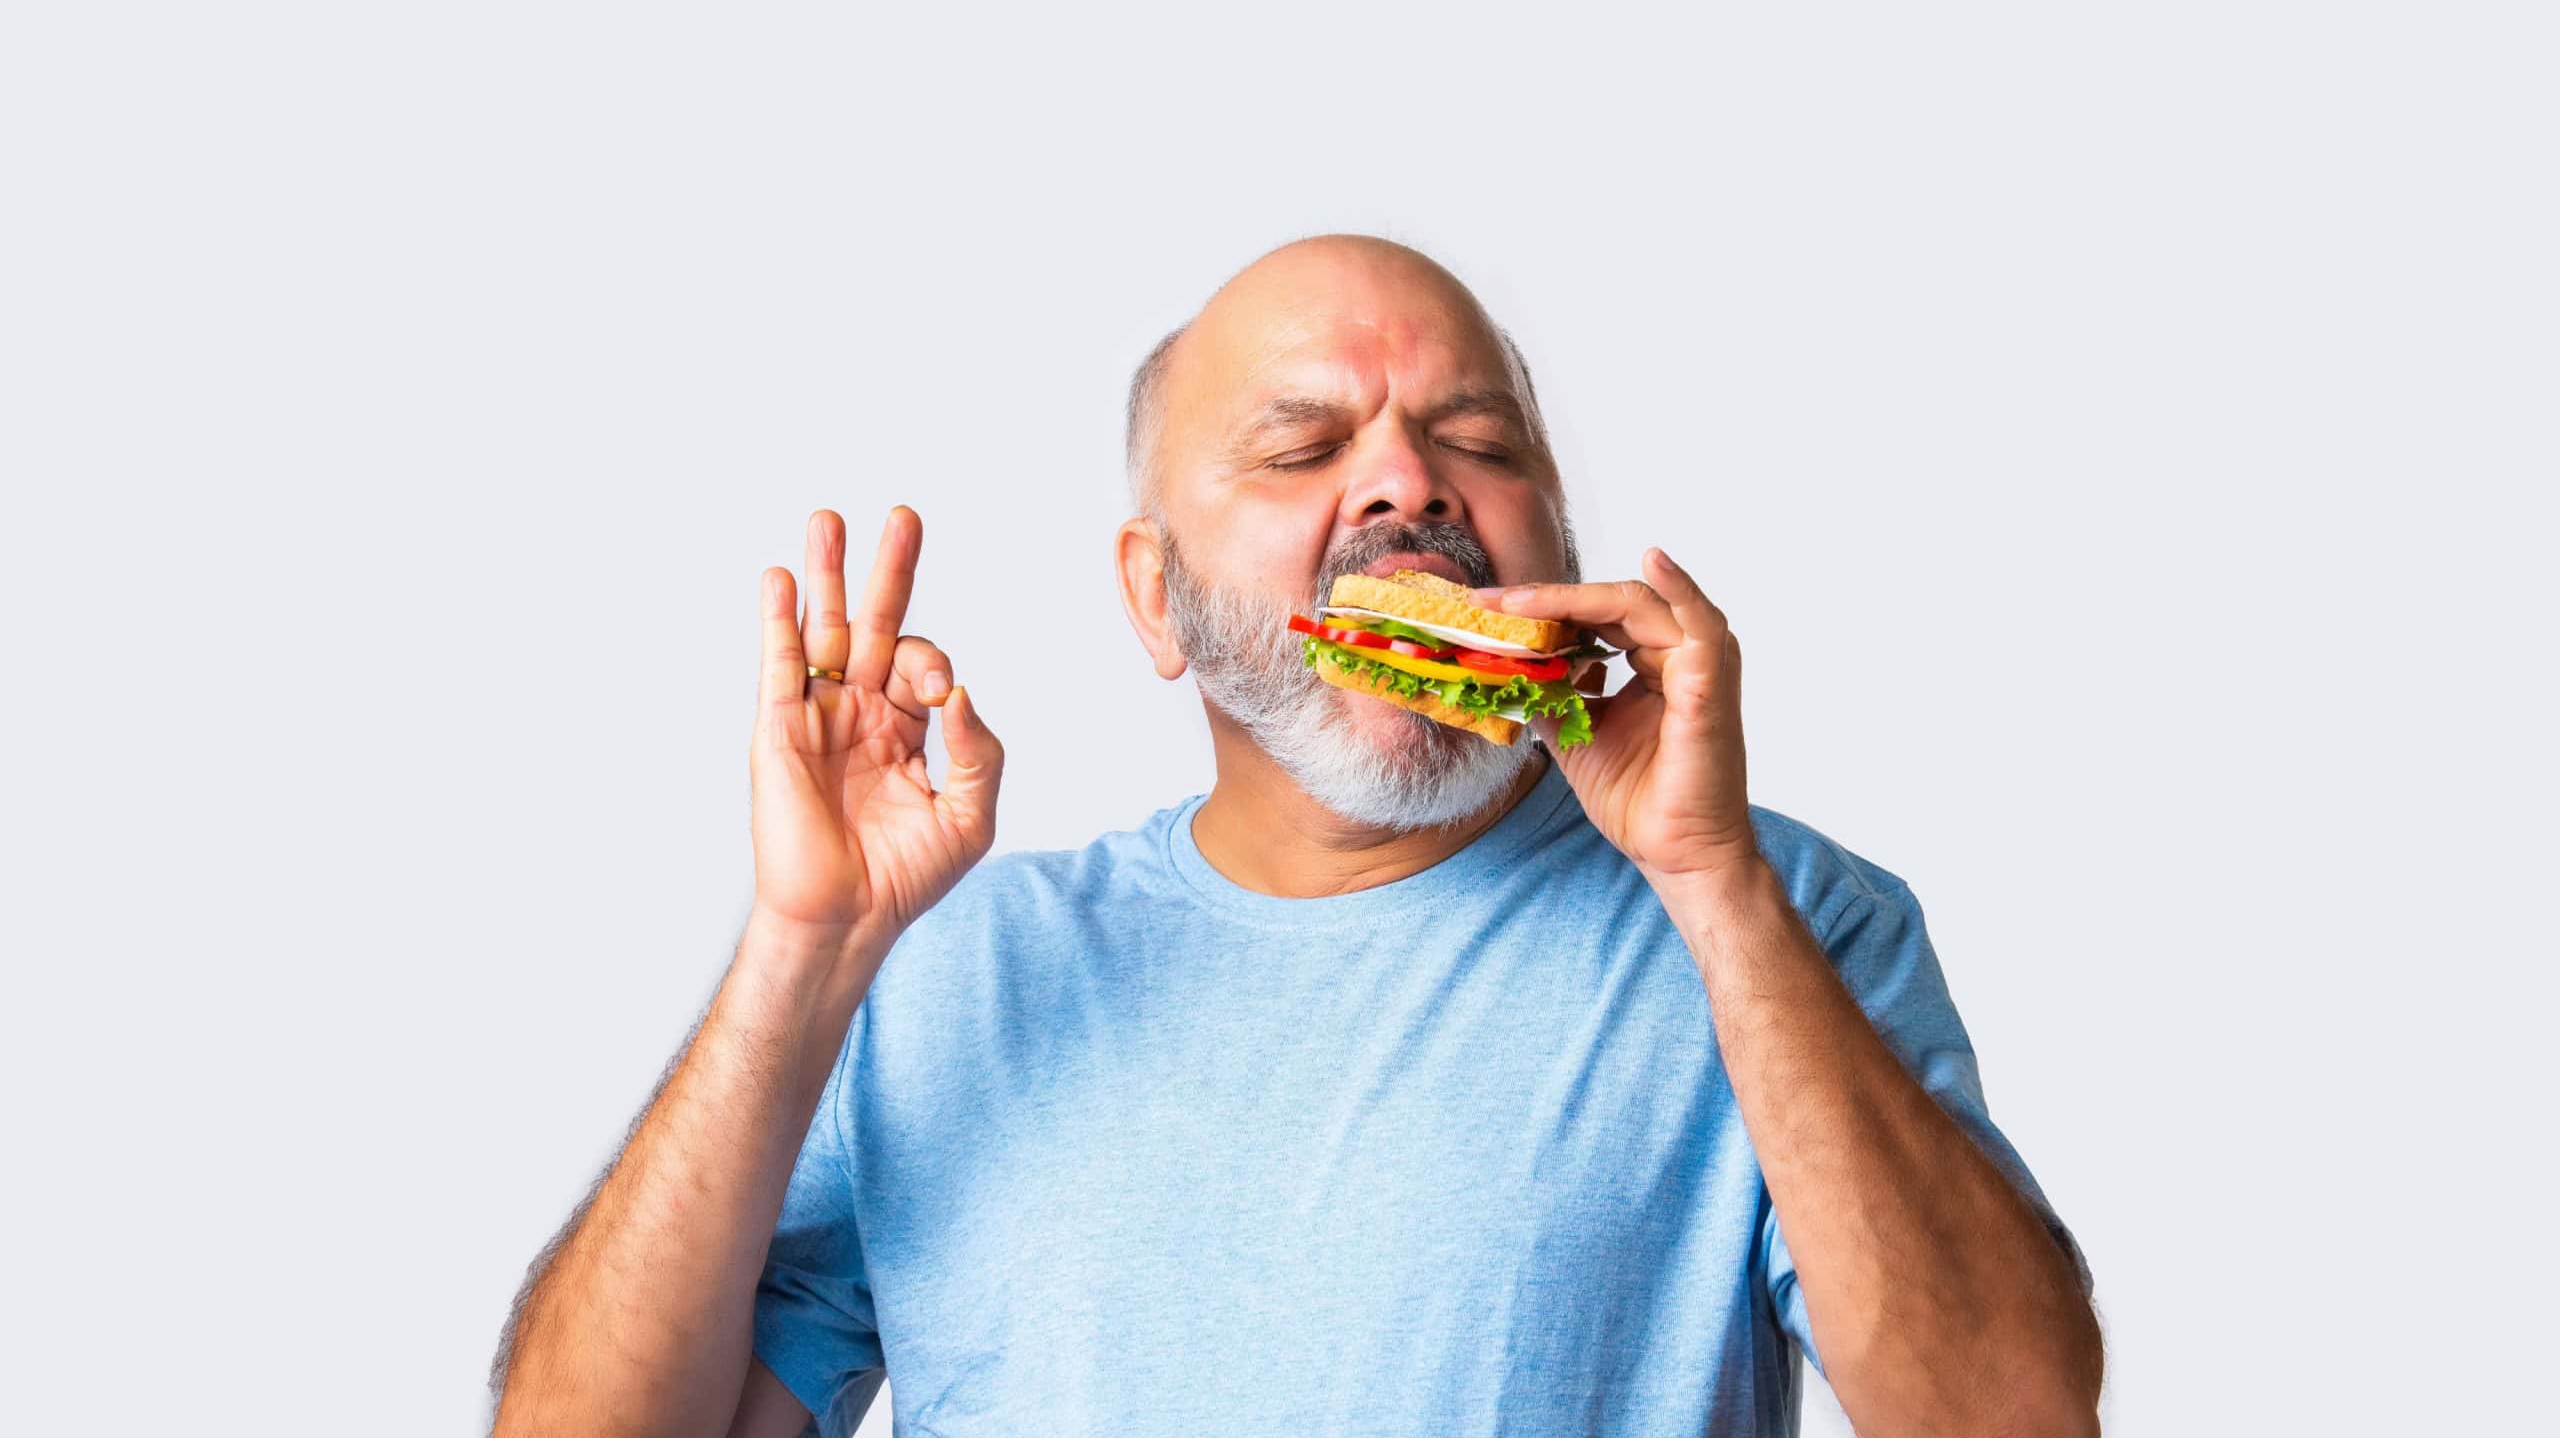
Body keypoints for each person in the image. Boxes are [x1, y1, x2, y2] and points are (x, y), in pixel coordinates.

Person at [488, 234, 2102, 1438]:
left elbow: (2017, 1419)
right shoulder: (946, 977)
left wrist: (1717, 886)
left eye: (1478, 443)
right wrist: (803, 952)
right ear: (1155, 596)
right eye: (1304, 447)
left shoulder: (1783, 917)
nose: (1411, 482)